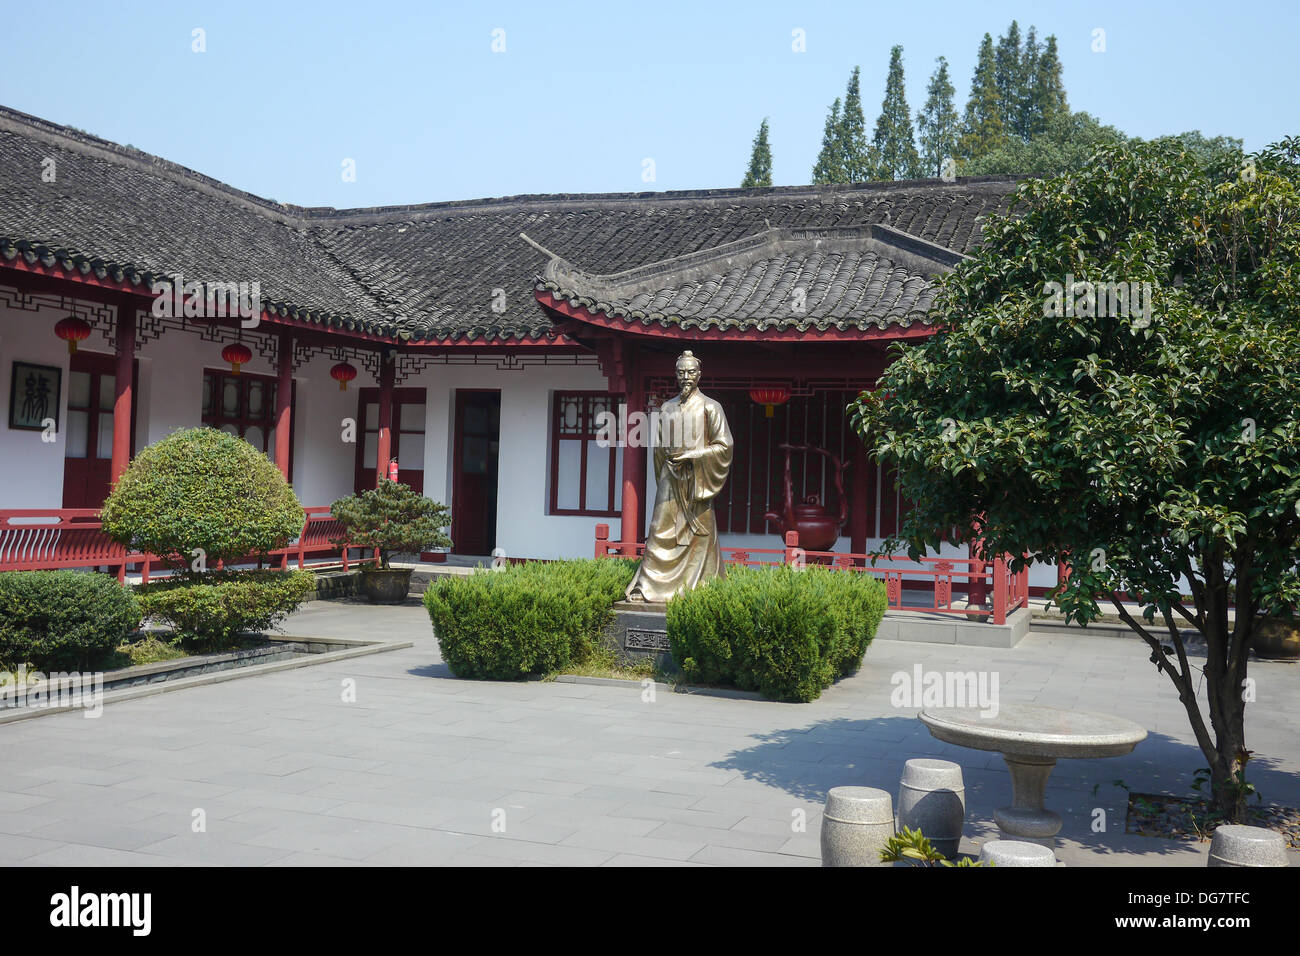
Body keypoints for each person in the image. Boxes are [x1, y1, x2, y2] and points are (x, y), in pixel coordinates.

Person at [625, 350, 733, 603]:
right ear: (675, 375)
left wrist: (693, 457)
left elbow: (724, 446)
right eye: (681, 372)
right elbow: (658, 449)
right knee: (659, 533)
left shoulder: (710, 407)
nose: (686, 377)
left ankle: (701, 586)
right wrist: (665, 475)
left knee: (700, 536)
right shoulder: (667, 408)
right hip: (670, 481)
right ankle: (647, 588)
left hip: (698, 482)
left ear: (699, 375)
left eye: (691, 372)